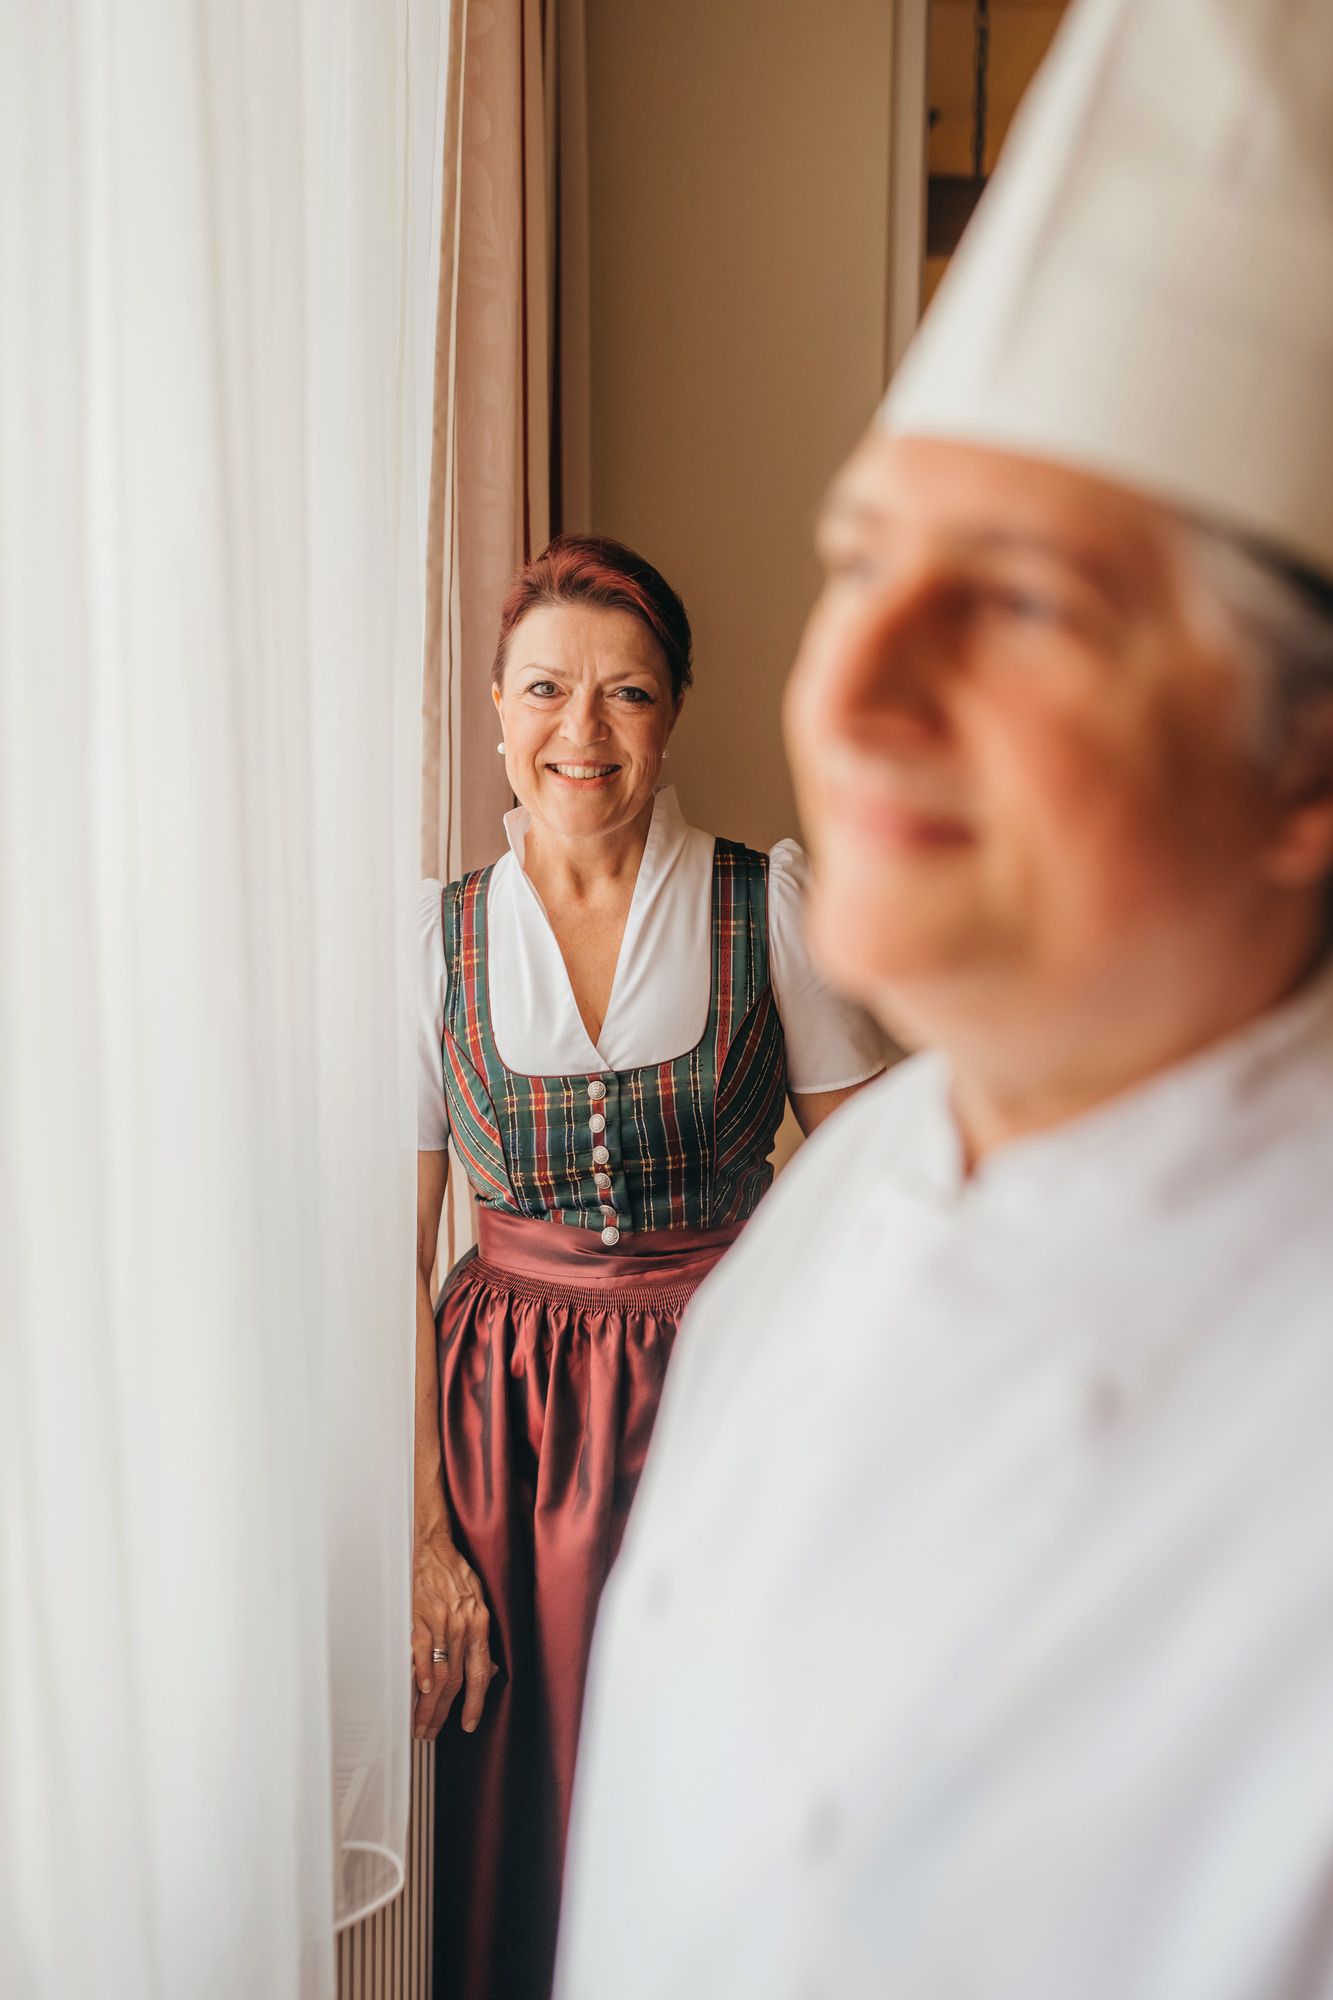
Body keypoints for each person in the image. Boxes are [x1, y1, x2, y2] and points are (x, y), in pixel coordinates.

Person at [556, 3, 1333, 1996]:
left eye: (1026, 600)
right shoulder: (854, 1181)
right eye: (860, 557)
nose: (853, 682)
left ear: (1304, 766)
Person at [412, 532, 886, 1999]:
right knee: (518, 1803)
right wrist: (421, 1538)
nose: (582, 730)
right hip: (503, 1435)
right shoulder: (430, 945)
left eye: (624, 694)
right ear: (494, 705)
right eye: (546, 689)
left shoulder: (767, 911)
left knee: (721, 1778)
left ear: (672, 710)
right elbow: (377, 1265)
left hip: (725, 1410)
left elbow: (888, 1193)